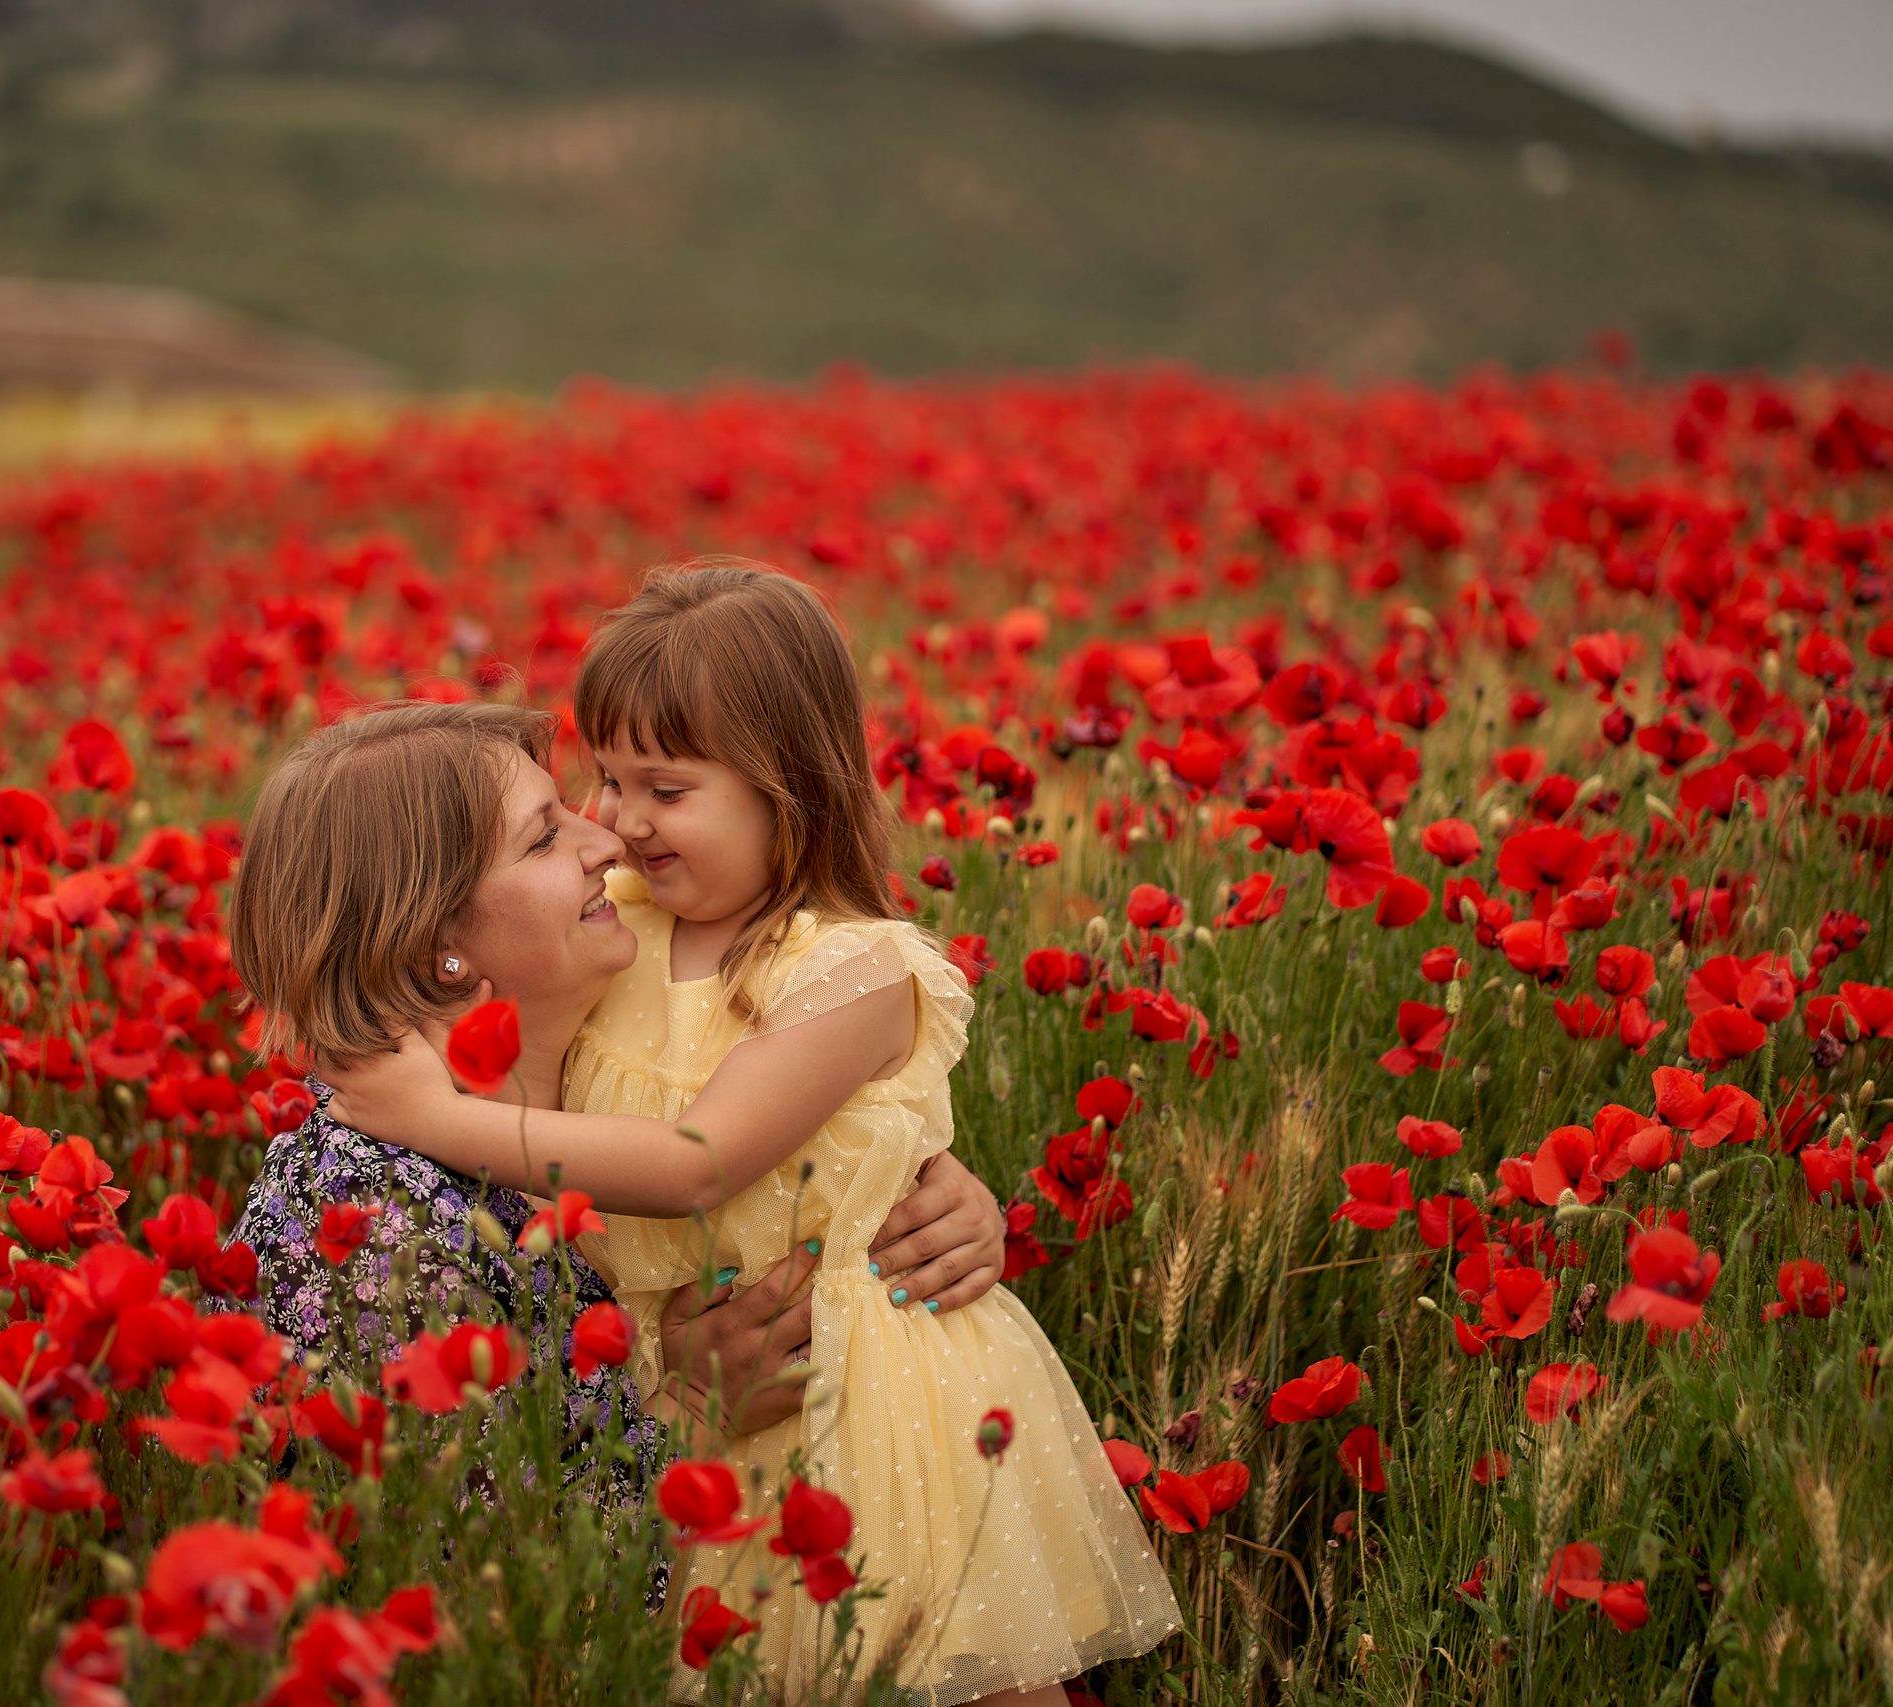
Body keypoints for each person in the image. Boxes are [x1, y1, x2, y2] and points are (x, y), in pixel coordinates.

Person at [325, 566, 1182, 1705]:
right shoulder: (623, 927)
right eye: (609, 777)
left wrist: (440, 1119)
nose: (619, 821)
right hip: (689, 1404)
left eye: (667, 788)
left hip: (861, 1394)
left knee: (952, 1669)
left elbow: (702, 1162)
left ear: (790, 785)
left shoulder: (850, 968)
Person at [225, 699, 1010, 1492]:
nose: (608, 840)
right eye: (543, 837)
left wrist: (913, 1177)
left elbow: (738, 1103)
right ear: (437, 948)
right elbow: (477, 1547)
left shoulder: (582, 1062)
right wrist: (694, 1406)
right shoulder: (373, 1226)